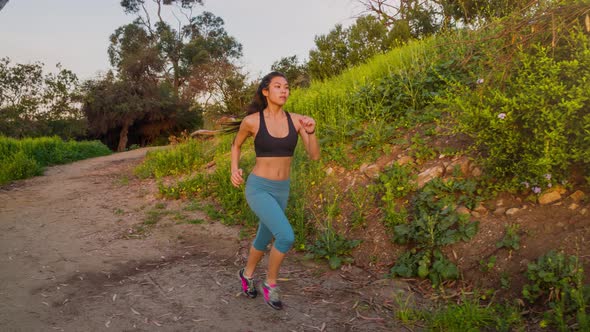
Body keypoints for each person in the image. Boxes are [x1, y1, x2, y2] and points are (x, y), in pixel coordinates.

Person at [230, 71, 320, 310]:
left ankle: (247, 275)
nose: (284, 90)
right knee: (286, 236)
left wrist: (310, 132)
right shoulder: (252, 121)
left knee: (264, 236)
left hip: (282, 189)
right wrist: (234, 169)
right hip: (258, 187)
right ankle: (270, 283)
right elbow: (236, 145)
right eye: (278, 86)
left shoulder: (298, 120)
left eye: (287, 87)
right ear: (266, 92)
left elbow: (314, 155)